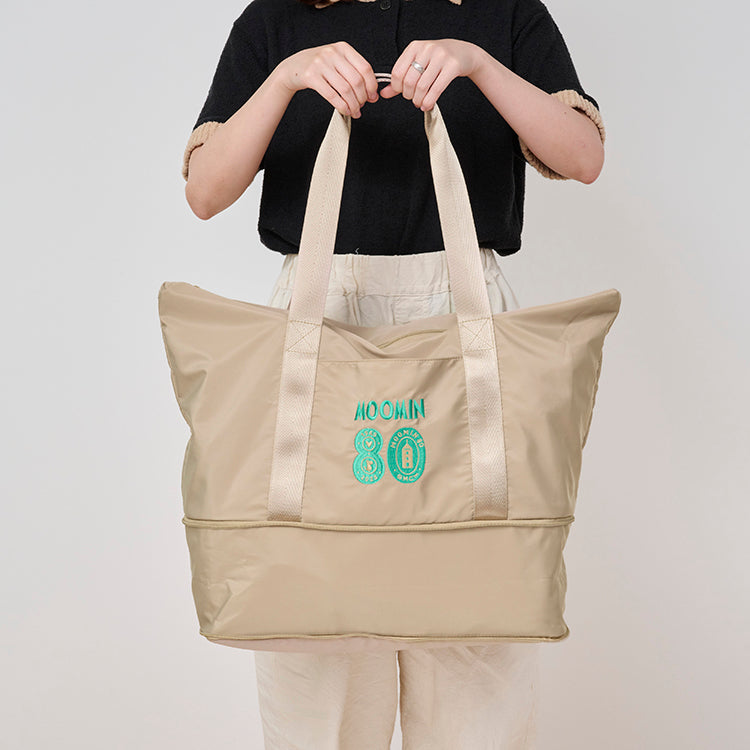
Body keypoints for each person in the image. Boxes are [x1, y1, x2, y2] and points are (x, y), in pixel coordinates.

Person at [181, 1, 605, 747]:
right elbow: (205, 191)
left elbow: (583, 156)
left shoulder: (503, 12)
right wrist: (288, 77)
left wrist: (477, 63)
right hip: (321, 309)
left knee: (478, 657)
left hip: (461, 306)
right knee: (317, 669)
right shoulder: (276, 20)